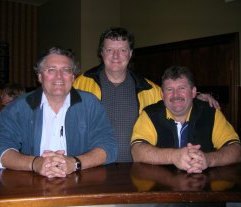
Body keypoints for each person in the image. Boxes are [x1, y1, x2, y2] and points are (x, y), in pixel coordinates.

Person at [74, 27, 219, 162]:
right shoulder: (80, 84)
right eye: (110, 49)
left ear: (130, 54)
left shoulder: (148, 89)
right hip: (93, 165)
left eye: (122, 50)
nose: (116, 56)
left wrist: (197, 96)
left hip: (136, 168)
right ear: (102, 52)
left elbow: (173, 100)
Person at [0, 46, 117, 178]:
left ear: (73, 77)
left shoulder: (90, 104)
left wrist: (75, 163)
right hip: (33, 184)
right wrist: (34, 163)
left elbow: (108, 146)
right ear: (39, 76)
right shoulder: (19, 107)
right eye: (51, 70)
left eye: (66, 70)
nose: (59, 77)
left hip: (79, 183)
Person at [131, 66, 241, 173]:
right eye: (169, 89)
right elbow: (137, 151)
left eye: (182, 88)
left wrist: (208, 159)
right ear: (162, 94)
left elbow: (237, 150)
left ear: (193, 92)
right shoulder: (150, 114)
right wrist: (173, 156)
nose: (176, 95)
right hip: (160, 188)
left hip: (205, 187)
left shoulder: (211, 113)